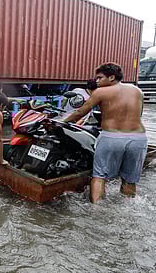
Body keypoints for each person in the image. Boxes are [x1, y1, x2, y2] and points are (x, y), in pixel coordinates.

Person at [63, 63, 147, 203]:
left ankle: (96, 210)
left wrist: (63, 122)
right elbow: (140, 114)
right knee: (130, 180)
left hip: (112, 137)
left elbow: (80, 112)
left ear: (112, 77)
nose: (96, 81)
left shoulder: (101, 92)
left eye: (100, 78)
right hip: (138, 138)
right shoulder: (137, 91)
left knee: (99, 176)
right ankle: (127, 206)